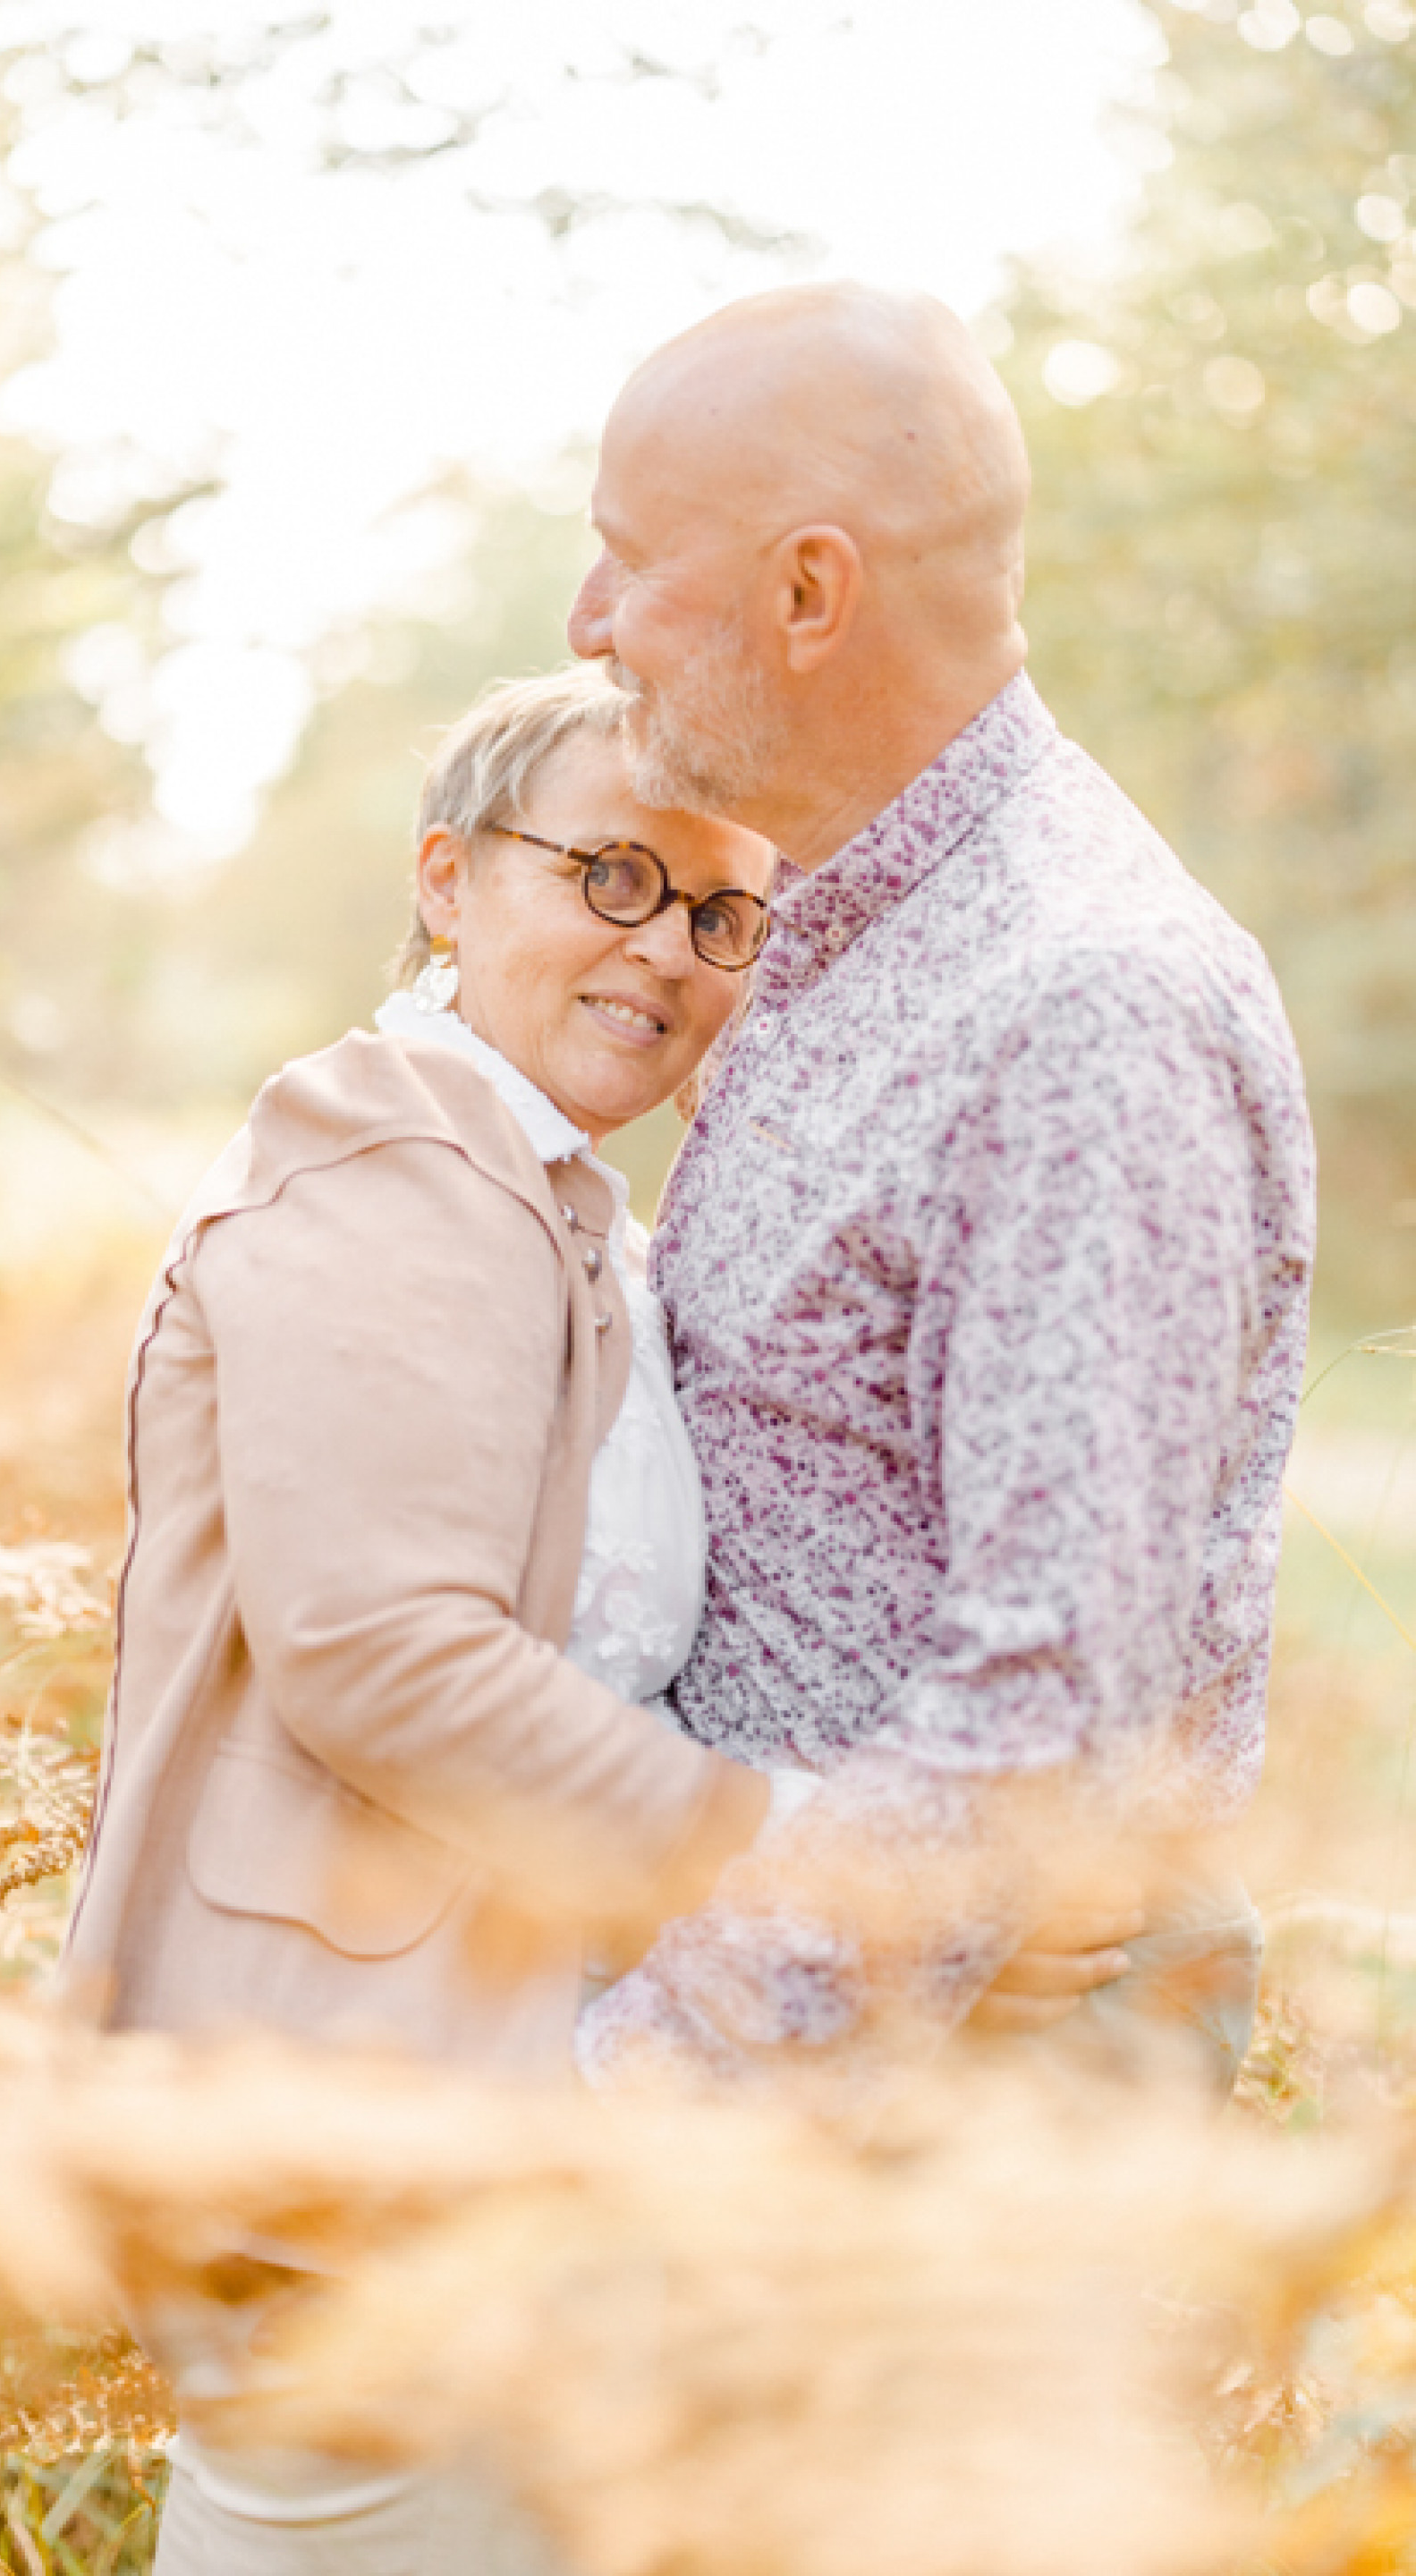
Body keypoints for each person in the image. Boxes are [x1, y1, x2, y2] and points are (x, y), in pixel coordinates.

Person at [63, 665, 1123, 2573]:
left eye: (725, 915)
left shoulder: (559, 1204)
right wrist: (836, 1870)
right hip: (341, 2125)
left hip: (464, 2101)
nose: (669, 951)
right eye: (613, 877)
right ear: (447, 878)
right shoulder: (393, 1156)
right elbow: (393, 1658)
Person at [565, 282, 1317, 2099]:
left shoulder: (1082, 1007)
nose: (587, 621)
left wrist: (633, 2077)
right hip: (812, 2061)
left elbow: (1048, 1704)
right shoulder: (825, 932)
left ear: (809, 595)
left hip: (959, 2096)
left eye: (628, 560)